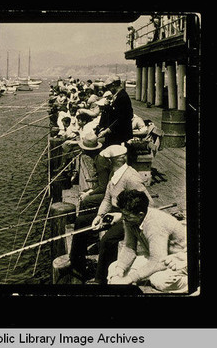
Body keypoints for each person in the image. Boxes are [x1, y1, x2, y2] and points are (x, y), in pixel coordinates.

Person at [70, 144, 152, 284]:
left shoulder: (131, 177)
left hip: (130, 218)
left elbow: (148, 204)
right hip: (115, 213)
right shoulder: (114, 174)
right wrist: (99, 216)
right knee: (81, 221)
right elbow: (108, 198)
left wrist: (123, 216)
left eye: (106, 159)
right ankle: (77, 263)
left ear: (113, 160)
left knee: (108, 240)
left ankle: (100, 279)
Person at [107, 189, 187, 293]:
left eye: (127, 216)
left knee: (159, 280)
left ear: (140, 214)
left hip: (180, 260)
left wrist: (129, 278)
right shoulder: (130, 219)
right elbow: (129, 247)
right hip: (159, 257)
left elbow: (158, 261)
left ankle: (190, 282)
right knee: (114, 268)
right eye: (123, 214)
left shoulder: (155, 224)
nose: (124, 218)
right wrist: (120, 270)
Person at [96, 76, 133, 148]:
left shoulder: (122, 97)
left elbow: (122, 118)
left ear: (113, 85)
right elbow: (115, 113)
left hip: (121, 134)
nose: (109, 90)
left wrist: (107, 130)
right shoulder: (118, 95)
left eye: (108, 87)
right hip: (116, 131)